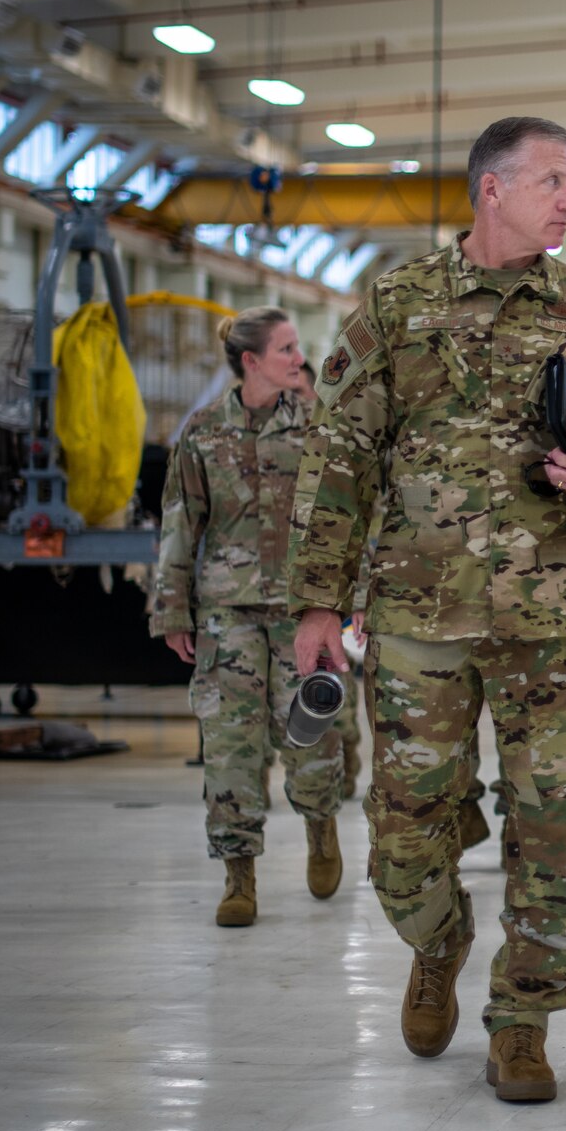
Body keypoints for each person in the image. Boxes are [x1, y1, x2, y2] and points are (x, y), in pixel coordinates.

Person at [287, 116, 566, 1104]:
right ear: (490, 189)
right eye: (552, 181)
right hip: (419, 620)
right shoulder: (396, 307)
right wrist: (315, 604)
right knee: (405, 832)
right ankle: (437, 937)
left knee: (553, 823)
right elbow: (338, 464)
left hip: (552, 619)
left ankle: (523, 1018)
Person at [151, 307, 344, 926]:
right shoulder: (204, 432)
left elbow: (346, 516)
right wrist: (171, 610)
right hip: (226, 611)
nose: (298, 358)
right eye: (287, 349)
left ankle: (320, 824)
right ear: (251, 361)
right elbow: (181, 523)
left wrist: (352, 599)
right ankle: (239, 875)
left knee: (309, 736)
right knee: (229, 742)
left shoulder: (318, 426)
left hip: (301, 610)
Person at [298, 360, 364, 803]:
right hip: (249, 597)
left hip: (329, 595)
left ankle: (330, 800)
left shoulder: (345, 436)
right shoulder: (209, 431)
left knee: (336, 710)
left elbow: (365, 517)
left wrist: (357, 595)